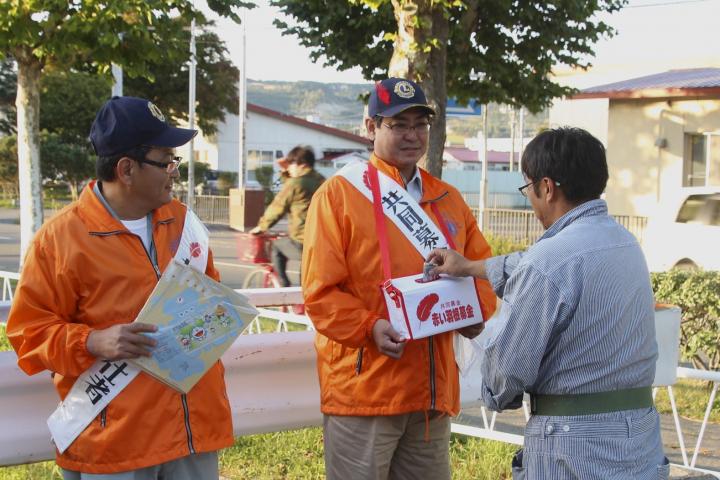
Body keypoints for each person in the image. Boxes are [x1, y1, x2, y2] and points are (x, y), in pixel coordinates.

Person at [6, 96, 233, 479]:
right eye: (166, 161)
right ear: (126, 169)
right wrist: (91, 342)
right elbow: (28, 334)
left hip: (193, 433)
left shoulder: (183, 223)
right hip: (115, 446)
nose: (175, 172)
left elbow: (208, 298)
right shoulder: (60, 240)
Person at [428, 127, 668, 479]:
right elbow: (538, 265)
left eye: (529, 189)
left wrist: (480, 343)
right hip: (638, 438)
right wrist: (468, 267)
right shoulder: (625, 243)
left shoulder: (549, 261)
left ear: (546, 187)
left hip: (573, 448)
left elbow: (506, 376)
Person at [301, 78, 497, 480]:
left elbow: (482, 270)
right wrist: (369, 327)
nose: (412, 135)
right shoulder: (338, 196)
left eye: (420, 124)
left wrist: (476, 313)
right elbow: (320, 293)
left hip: (430, 392)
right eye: (398, 124)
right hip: (365, 390)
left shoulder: (448, 198)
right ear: (371, 128)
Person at [250, 145, 325, 287]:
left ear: (301, 164)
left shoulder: (295, 184)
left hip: (303, 238)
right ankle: (303, 302)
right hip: (324, 240)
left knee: (277, 247)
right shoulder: (321, 180)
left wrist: (261, 227)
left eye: (291, 164)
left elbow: (277, 207)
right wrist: (286, 172)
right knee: (307, 274)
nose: (289, 168)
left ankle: (284, 288)